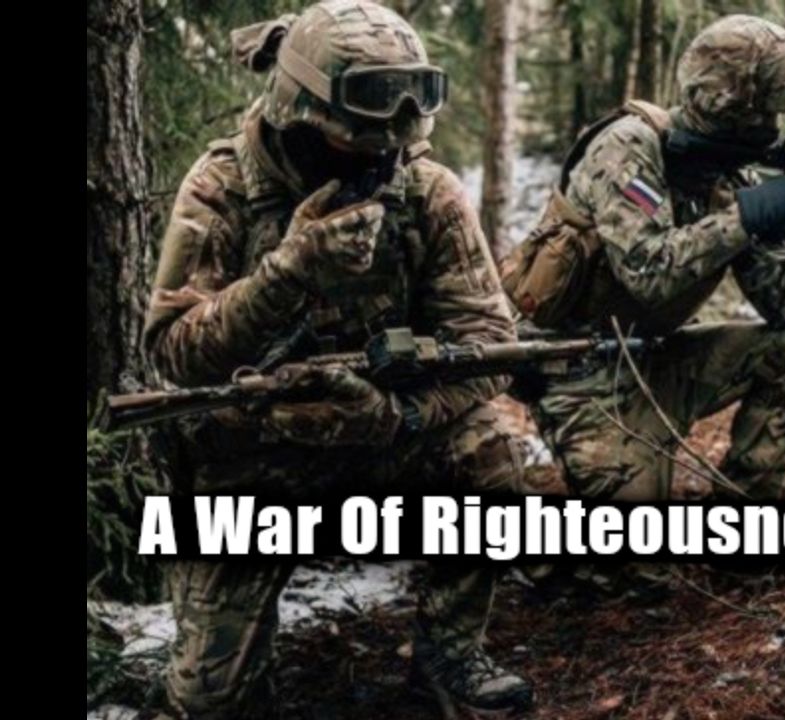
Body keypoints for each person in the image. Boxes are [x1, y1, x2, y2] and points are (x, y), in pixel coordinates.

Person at [143, 1, 532, 716]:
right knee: (207, 701)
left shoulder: (426, 189)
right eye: (354, 144)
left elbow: (487, 344)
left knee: (493, 454)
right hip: (256, 458)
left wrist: (398, 412)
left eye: (393, 144)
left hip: (388, 437)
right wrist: (286, 274)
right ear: (298, 116)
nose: (379, 161)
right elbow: (173, 352)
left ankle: (448, 653)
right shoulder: (223, 186)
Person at [504, 14, 785, 504]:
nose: (772, 128)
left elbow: (781, 302)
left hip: (654, 360)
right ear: (727, 102)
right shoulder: (628, 146)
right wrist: (746, 218)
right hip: (582, 380)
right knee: (631, 552)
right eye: (763, 113)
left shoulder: (729, 175)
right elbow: (647, 272)